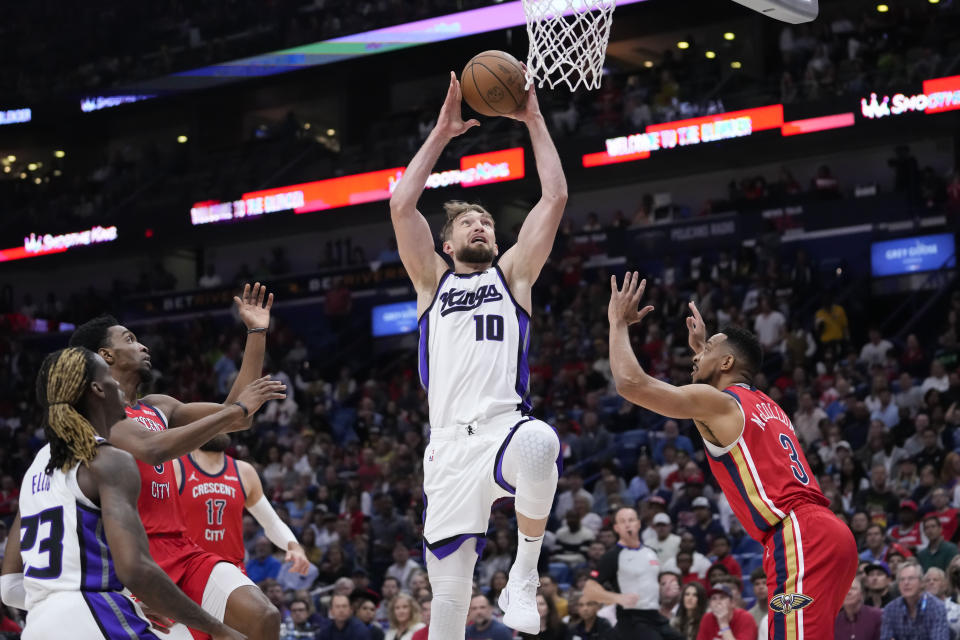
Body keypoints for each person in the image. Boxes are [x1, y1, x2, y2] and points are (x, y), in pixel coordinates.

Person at [389, 72, 568, 638]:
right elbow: (400, 205)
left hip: (502, 428)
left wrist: (534, 119)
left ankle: (523, 574)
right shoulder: (431, 283)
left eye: (487, 220)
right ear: (447, 243)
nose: (482, 225)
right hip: (446, 448)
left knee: (541, 443)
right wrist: (441, 133)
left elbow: (555, 197)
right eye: (470, 221)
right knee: (448, 601)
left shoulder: (512, 275)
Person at [607, 278, 858, 640]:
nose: (695, 355)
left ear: (726, 362)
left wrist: (617, 322)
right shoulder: (769, 405)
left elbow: (631, 383)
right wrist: (704, 350)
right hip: (830, 534)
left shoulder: (722, 404)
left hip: (799, 536)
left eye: (706, 350)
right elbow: (714, 383)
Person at [68, 284, 286, 639]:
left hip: (183, 549)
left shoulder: (158, 406)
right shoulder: (95, 416)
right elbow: (154, 448)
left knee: (263, 618)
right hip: (131, 557)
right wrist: (237, 409)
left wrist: (257, 332)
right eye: (131, 339)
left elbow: (236, 419)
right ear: (106, 355)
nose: (143, 345)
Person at [0, 347, 243, 640]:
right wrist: (217, 629)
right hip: (96, 619)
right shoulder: (109, 459)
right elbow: (136, 570)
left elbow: (10, 587)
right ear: (97, 389)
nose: (118, 384)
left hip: (38, 627)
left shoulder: (37, 468)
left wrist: (63, 597)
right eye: (109, 377)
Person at [177, 434, 310, 577]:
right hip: (189, 570)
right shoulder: (174, 468)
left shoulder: (244, 471)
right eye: (211, 418)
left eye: (223, 418)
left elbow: (271, 522)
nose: (218, 426)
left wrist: (294, 546)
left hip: (232, 572)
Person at [582, 507, 683, 639]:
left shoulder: (651, 552)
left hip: (654, 615)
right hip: (630, 618)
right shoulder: (612, 556)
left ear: (638, 524)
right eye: (623, 521)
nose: (628, 524)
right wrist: (617, 598)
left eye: (631, 520)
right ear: (616, 528)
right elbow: (589, 590)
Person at [880, 561, 949, 639]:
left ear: (922, 583)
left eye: (911, 578)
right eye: (901, 579)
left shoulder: (937, 607)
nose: (906, 583)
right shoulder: (890, 609)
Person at [923, 567, 960, 638]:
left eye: (935, 580)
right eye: (928, 580)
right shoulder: (918, 608)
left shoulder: (956, 608)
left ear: (944, 584)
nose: (931, 582)